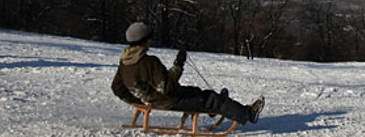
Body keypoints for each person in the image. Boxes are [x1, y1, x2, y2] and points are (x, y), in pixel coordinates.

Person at [111, 22, 264, 125]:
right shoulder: (149, 62)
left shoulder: (125, 61)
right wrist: (178, 64)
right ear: (144, 40)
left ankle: (214, 108)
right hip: (167, 100)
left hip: (153, 99)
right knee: (211, 98)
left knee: (197, 92)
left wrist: (138, 100)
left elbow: (116, 87)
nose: (151, 41)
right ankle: (247, 114)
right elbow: (166, 87)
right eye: (149, 38)